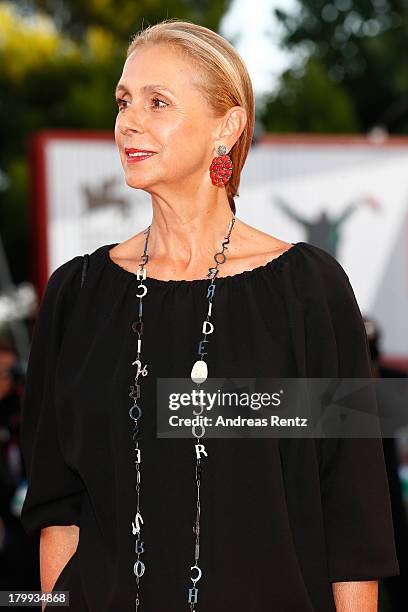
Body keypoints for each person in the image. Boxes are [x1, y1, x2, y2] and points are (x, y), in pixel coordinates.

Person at [19, 19, 399, 611]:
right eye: (124, 101)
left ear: (228, 125)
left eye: (158, 102)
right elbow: (57, 505)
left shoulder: (309, 291)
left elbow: (352, 519)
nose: (129, 122)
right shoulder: (77, 294)